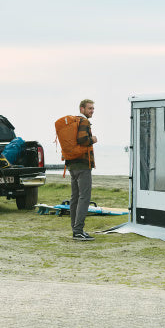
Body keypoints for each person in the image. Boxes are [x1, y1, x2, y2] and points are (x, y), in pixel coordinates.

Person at [66, 99, 97, 241]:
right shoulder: (83, 122)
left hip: (72, 164)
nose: (92, 111)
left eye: (93, 109)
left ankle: (75, 229)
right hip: (83, 165)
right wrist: (93, 139)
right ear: (82, 108)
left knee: (75, 198)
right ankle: (78, 230)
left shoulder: (73, 122)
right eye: (89, 108)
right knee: (84, 198)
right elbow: (83, 140)